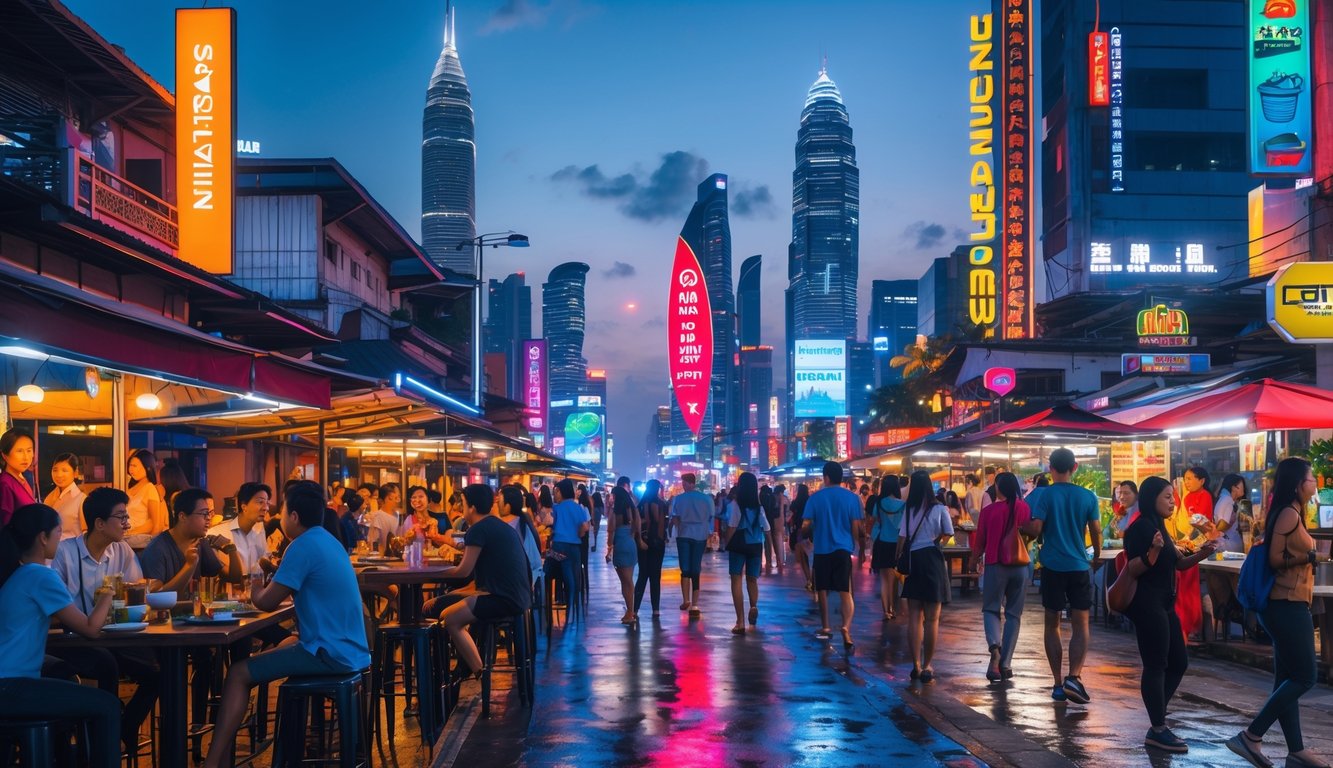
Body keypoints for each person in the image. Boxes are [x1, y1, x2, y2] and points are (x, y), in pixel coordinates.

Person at [202, 482, 370, 768]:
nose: (277, 517)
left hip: (328, 653)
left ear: (293, 516)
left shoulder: (301, 546)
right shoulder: (329, 541)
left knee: (239, 673)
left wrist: (254, 583)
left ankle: (214, 762)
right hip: (351, 650)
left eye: (280, 511)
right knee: (283, 643)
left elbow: (265, 602)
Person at [0, 504, 121, 766]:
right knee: (108, 705)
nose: (61, 538)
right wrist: (109, 593)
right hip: (12, 686)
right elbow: (90, 629)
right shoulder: (40, 575)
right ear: (43, 538)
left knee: (69, 685)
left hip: (9, 683)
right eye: (58, 532)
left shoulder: (17, 574)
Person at [1227, 457, 1328, 768]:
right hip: (1285, 604)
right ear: (1298, 484)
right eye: (1311, 479)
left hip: (1288, 603)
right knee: (1305, 677)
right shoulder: (1287, 514)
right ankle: (1252, 734)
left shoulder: (1293, 512)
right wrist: (1311, 555)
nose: (1315, 483)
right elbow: (1274, 558)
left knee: (1286, 678)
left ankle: (1296, 751)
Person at [50, 487, 159, 751]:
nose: (127, 524)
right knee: (106, 664)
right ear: (99, 523)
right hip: (71, 639)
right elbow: (56, 610)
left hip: (112, 635)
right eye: (121, 518)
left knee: (157, 671)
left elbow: (136, 591)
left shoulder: (121, 551)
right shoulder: (64, 553)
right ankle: (102, 737)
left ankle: (124, 727)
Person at [1119, 476, 1218, 753]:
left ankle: (1156, 719)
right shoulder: (1139, 528)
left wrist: (1204, 552)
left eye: (1173, 497)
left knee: (1178, 662)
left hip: (1165, 603)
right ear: (1152, 498)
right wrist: (1154, 550)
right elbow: (1134, 568)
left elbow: (1179, 564)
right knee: (1156, 664)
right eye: (1167, 497)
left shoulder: (1160, 526)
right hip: (1146, 603)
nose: (1173, 502)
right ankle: (1159, 727)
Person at [1021, 447, 1101, 704]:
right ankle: (1074, 677)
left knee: (1052, 624)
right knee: (1081, 624)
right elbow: (1096, 530)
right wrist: (1096, 555)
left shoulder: (1044, 496)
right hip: (1079, 566)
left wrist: (1022, 527)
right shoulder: (1088, 496)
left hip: (1053, 567)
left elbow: (1035, 529)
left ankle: (1057, 682)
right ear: (1074, 467)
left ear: (1050, 468)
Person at [435, 484, 534, 682]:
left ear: (471, 507)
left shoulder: (477, 530)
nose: (461, 508)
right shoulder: (498, 525)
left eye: (462, 503)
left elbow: (464, 570)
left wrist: (437, 573)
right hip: (519, 597)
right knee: (447, 612)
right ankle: (466, 670)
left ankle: (477, 672)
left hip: (503, 599)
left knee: (450, 619)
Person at [972, 472, 1031, 682]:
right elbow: (1031, 534)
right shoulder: (1024, 508)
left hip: (996, 564)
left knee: (991, 608)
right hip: (1021, 566)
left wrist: (973, 560)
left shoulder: (989, 511)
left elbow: (980, 542)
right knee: (1014, 615)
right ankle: (1005, 664)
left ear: (999, 488)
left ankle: (994, 648)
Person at [898, 470, 953, 681]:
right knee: (932, 618)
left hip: (913, 561)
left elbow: (902, 537)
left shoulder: (909, 508)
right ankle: (928, 666)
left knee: (914, 616)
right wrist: (937, 541)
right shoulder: (939, 508)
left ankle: (916, 665)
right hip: (932, 561)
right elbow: (948, 532)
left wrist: (898, 558)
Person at [803, 462, 862, 652]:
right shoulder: (852, 499)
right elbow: (855, 526)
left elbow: (806, 524)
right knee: (845, 591)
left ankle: (826, 625)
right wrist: (856, 545)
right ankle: (846, 627)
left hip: (822, 548)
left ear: (826, 477)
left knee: (822, 589)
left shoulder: (815, 498)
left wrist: (807, 531)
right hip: (844, 548)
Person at [138, 488, 242, 593]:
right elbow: (156, 596)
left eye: (210, 514)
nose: (209, 518)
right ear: (183, 516)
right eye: (204, 514)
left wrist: (232, 549)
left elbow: (234, 578)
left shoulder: (200, 543)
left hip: (193, 609)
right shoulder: (157, 548)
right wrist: (189, 565)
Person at [724, 472, 769, 635]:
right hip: (756, 545)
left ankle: (740, 622)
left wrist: (726, 544)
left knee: (736, 579)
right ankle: (753, 605)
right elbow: (767, 528)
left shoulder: (735, 505)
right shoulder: (759, 508)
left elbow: (732, 526)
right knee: (752, 579)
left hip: (739, 545)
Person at [208, 482, 275, 582]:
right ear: (244, 506)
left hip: (255, 593)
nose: (266, 508)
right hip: (229, 594)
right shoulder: (216, 532)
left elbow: (264, 561)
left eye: (267, 503)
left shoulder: (259, 529)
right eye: (260, 502)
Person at [1206, 473, 1248, 625]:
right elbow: (1222, 526)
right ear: (1234, 487)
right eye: (1241, 484)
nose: (1244, 487)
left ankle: (1228, 612)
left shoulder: (1224, 500)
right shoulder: (1228, 501)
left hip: (1224, 549)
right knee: (1234, 578)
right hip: (1229, 551)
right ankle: (1235, 611)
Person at [670, 473, 713, 617]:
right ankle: (694, 604)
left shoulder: (678, 499)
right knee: (695, 568)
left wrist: (678, 528)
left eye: (684, 483)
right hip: (700, 535)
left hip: (684, 535)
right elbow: (711, 516)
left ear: (689, 483)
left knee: (685, 568)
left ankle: (685, 599)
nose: (683, 485)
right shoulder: (706, 499)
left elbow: (674, 517)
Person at [550, 479, 589, 613]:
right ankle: (575, 600)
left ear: (560, 492)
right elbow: (585, 527)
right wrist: (577, 534)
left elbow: (552, 524)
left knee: (565, 571)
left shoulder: (557, 508)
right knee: (575, 572)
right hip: (575, 546)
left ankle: (568, 599)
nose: (555, 495)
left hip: (559, 545)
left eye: (556, 492)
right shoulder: (577, 507)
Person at [870, 475, 905, 620]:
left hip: (882, 543)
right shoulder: (903, 504)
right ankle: (893, 608)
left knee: (884, 580)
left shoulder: (878, 504)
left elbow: (875, 522)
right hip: (897, 544)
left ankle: (886, 610)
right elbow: (904, 527)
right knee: (895, 579)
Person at [607, 484, 642, 625]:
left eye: (613, 496)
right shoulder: (633, 510)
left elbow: (611, 531)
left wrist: (609, 548)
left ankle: (630, 611)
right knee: (629, 580)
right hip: (631, 544)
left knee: (625, 581)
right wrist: (636, 540)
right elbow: (638, 528)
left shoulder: (615, 513)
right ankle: (630, 610)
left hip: (620, 545)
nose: (612, 498)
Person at [634, 480, 667, 619]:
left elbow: (637, 523)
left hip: (643, 541)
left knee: (642, 575)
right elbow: (662, 523)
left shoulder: (641, 504)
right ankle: (656, 609)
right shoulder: (661, 504)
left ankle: (634, 609)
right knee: (655, 576)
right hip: (658, 542)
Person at [124, 449, 165, 547]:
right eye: (130, 465)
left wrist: (131, 533)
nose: (131, 469)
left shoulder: (149, 488)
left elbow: (154, 523)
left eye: (135, 466)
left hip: (139, 541)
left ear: (147, 467)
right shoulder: (130, 489)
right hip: (128, 538)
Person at [0, 427, 37, 527]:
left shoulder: (23, 479)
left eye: (29, 450)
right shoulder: (5, 484)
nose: (26, 457)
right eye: (19, 451)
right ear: (5, 455)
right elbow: (6, 526)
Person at [45, 452, 87, 540]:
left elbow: (86, 533)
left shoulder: (82, 499)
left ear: (75, 473)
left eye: (64, 470)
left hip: (71, 552)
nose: (59, 475)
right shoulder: (49, 497)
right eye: (55, 470)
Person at [789, 484, 813, 592]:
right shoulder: (810, 501)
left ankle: (809, 580)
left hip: (799, 530)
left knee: (803, 558)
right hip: (810, 531)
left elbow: (791, 511)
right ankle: (813, 579)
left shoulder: (796, 502)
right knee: (811, 555)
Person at [760, 485, 782, 575]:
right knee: (772, 541)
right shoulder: (772, 497)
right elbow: (775, 508)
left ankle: (768, 560)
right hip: (771, 521)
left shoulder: (761, 497)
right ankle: (776, 560)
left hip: (763, 522)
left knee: (765, 543)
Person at [590, 486, 604, 552]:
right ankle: (595, 545)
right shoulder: (600, 506)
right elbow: (603, 513)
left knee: (592, 534)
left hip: (592, 523)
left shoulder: (592, 506)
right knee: (595, 534)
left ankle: (594, 546)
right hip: (597, 523)